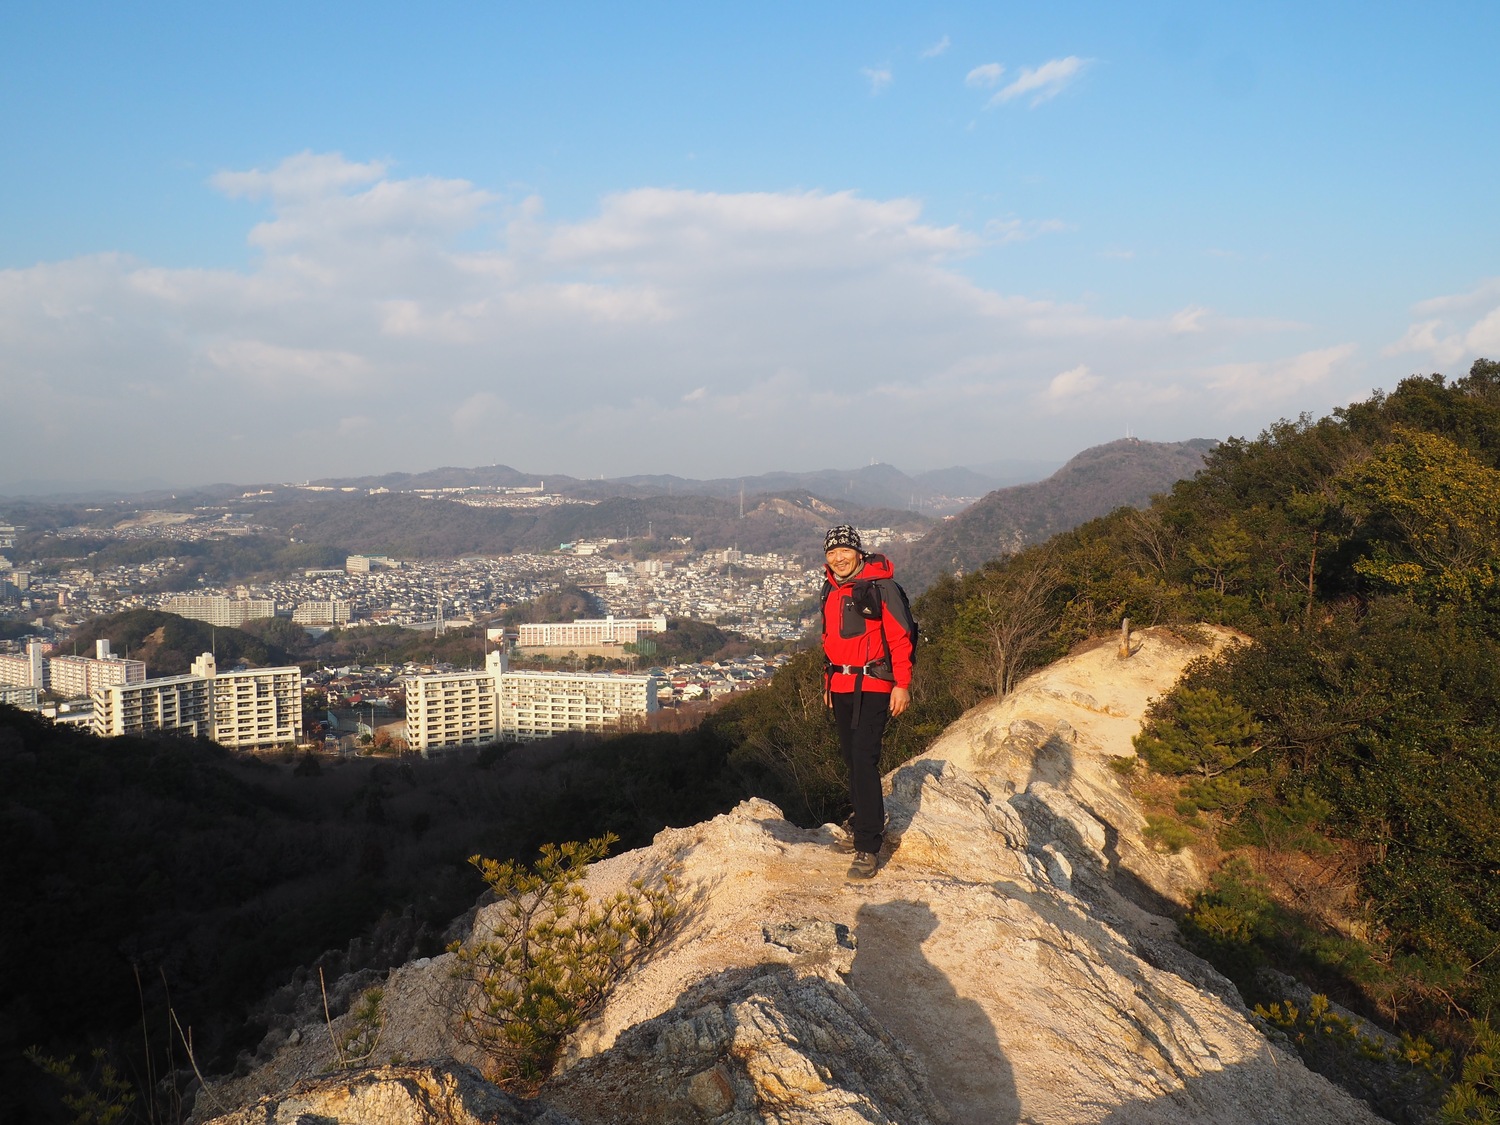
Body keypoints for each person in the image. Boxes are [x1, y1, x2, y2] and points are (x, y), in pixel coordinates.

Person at [820, 524, 915, 880]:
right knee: (851, 758)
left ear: (859, 552)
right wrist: (828, 682)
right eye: (831, 552)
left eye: (844, 550)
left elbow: (902, 638)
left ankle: (868, 846)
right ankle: (862, 822)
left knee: (864, 757)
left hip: (875, 682)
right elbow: (829, 639)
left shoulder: (881, 587)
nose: (838, 557)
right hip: (841, 683)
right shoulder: (830, 588)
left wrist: (901, 684)